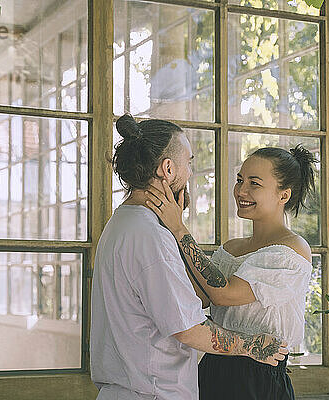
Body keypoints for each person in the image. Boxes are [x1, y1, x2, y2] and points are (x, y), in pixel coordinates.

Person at [90, 114, 289, 400]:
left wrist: (176, 229)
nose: (190, 172)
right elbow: (188, 330)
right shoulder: (150, 237)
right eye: (189, 162)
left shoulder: (124, 223)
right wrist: (252, 345)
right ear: (168, 169)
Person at [145, 145, 316, 400]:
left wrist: (179, 229)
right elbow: (201, 296)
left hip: (259, 378)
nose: (241, 191)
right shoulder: (231, 248)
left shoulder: (292, 250)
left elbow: (224, 294)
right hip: (213, 368)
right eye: (239, 180)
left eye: (254, 183)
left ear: (284, 195)